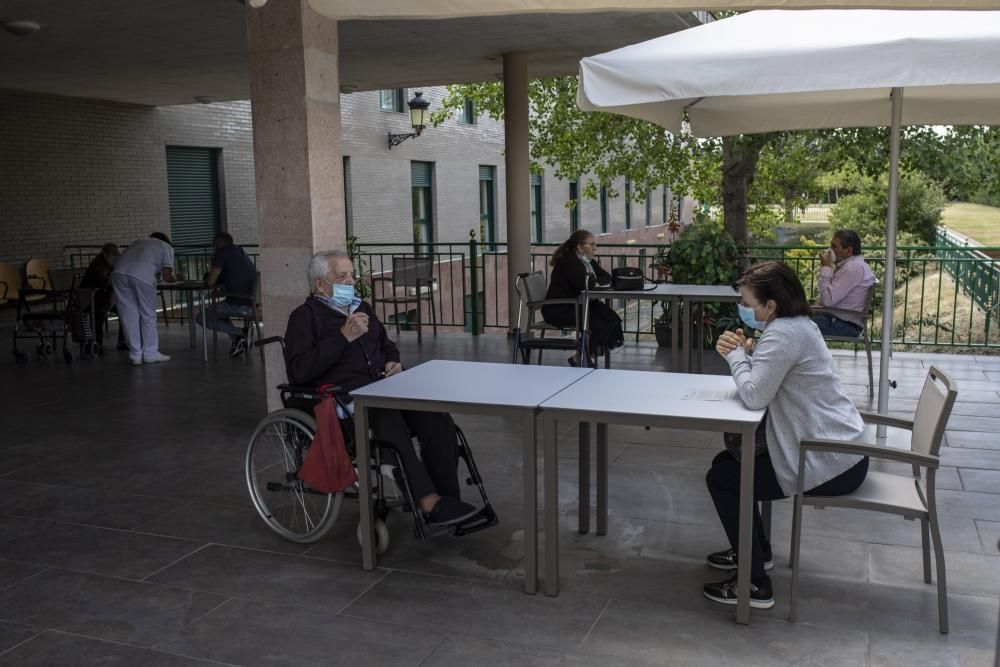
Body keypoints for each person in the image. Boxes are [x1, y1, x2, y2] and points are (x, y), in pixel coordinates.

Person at [704, 261, 869, 610]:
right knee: (727, 466)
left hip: (827, 459)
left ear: (771, 305)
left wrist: (735, 356)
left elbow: (754, 395)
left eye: (748, 304)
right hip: (840, 450)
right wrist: (749, 355)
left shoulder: (783, 333)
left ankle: (754, 584)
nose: (744, 310)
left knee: (724, 478)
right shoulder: (797, 325)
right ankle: (755, 553)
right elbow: (769, 378)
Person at [284, 249, 480, 528]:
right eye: (342, 276)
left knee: (434, 415)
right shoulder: (305, 318)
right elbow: (299, 370)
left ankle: (448, 499)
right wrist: (343, 337)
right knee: (385, 417)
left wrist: (393, 362)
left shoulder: (361, 307)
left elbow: (387, 345)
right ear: (320, 284)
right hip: (344, 398)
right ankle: (427, 501)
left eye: (351, 275)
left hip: (384, 386)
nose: (351, 281)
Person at [542, 230, 624, 367]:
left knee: (611, 318)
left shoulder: (587, 261)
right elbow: (584, 284)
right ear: (580, 247)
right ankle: (581, 358)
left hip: (578, 305)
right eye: (591, 244)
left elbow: (606, 276)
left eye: (595, 244)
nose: (594, 248)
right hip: (560, 309)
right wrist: (595, 281)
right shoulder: (569, 260)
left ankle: (582, 357)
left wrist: (595, 281)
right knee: (599, 322)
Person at [111, 232, 178, 365]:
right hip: (142, 276)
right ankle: (150, 353)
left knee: (128, 316)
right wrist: (176, 278)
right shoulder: (167, 247)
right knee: (148, 315)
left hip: (118, 274)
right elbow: (167, 276)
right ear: (166, 241)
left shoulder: (137, 242)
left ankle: (135, 355)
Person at [196, 232, 257, 358]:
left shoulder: (222, 253)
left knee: (201, 317)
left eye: (214, 245)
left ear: (218, 244)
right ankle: (238, 339)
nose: (214, 248)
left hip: (238, 304)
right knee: (219, 313)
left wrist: (208, 276)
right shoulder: (240, 252)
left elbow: (210, 282)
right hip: (251, 303)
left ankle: (240, 333)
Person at [811, 229, 876, 337]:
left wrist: (826, 267)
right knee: (797, 319)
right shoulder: (851, 265)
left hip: (843, 324)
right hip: (836, 318)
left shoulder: (852, 268)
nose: (830, 250)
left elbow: (827, 300)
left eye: (834, 246)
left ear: (848, 251)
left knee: (797, 326)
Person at [78, 243, 125, 352]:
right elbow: (104, 282)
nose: (117, 257)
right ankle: (97, 345)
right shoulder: (98, 264)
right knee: (100, 315)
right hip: (92, 299)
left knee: (125, 310)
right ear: (107, 254)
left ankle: (122, 341)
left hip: (102, 297)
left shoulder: (106, 263)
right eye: (115, 254)